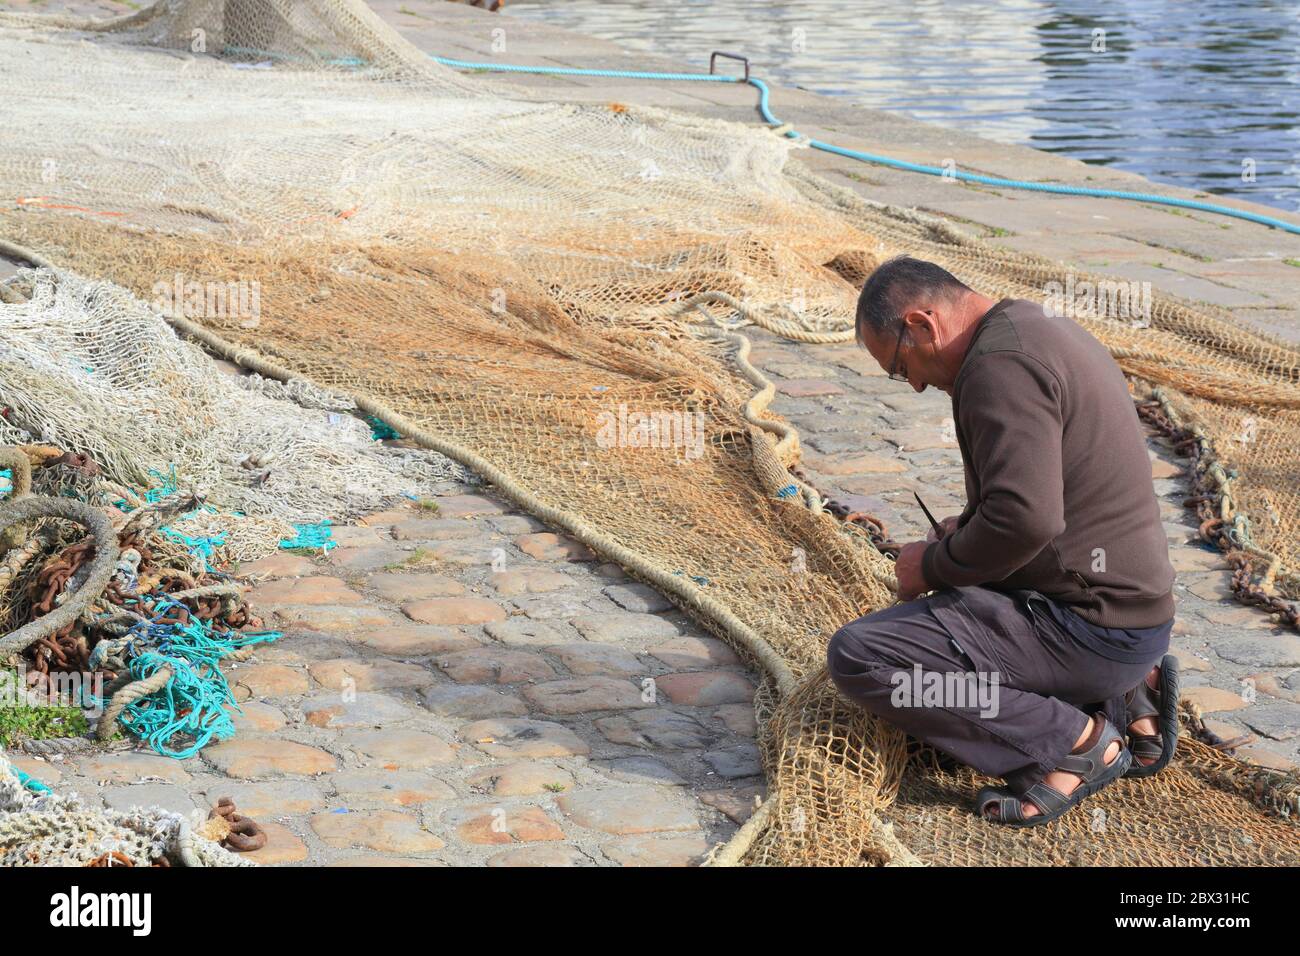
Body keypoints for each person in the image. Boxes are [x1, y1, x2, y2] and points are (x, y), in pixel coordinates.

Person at [826, 256, 1179, 826]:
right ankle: (1131, 690)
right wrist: (965, 532)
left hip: (1093, 627)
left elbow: (1026, 522)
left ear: (921, 324)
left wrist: (934, 568)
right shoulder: (1037, 325)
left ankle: (1079, 742)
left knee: (864, 655)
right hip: (1136, 614)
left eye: (899, 366)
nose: (913, 383)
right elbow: (1038, 499)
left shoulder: (998, 367)